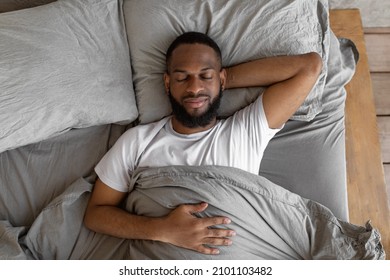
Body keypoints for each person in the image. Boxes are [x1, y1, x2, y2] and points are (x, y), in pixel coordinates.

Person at [84, 32, 322, 255]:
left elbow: (309, 67)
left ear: (221, 78)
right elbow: (96, 214)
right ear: (167, 83)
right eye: (182, 77)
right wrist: (163, 229)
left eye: (205, 76)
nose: (194, 88)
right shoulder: (137, 141)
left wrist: (222, 81)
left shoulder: (246, 130)